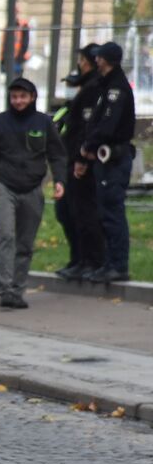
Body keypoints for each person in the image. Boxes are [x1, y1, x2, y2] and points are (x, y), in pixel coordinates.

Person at [0, 78, 66, 309]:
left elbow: (57, 154)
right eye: (14, 97)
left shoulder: (44, 122)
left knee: (25, 243)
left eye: (23, 96)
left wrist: (60, 180)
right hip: (4, 187)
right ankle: (4, 288)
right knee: (5, 235)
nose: (18, 101)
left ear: (32, 97)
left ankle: (17, 289)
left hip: (33, 188)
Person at [77, 42, 136, 284]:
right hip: (106, 159)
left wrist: (88, 146)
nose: (95, 61)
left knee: (112, 212)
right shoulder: (107, 86)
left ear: (106, 60)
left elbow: (107, 126)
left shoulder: (116, 90)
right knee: (105, 212)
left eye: (99, 58)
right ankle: (109, 263)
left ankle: (117, 265)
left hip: (114, 160)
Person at [51, 44, 106, 281]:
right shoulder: (79, 95)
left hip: (81, 163)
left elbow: (87, 129)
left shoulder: (95, 89)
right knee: (67, 212)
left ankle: (91, 260)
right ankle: (79, 259)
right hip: (69, 160)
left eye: (82, 61)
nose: (80, 65)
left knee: (83, 213)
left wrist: (81, 158)